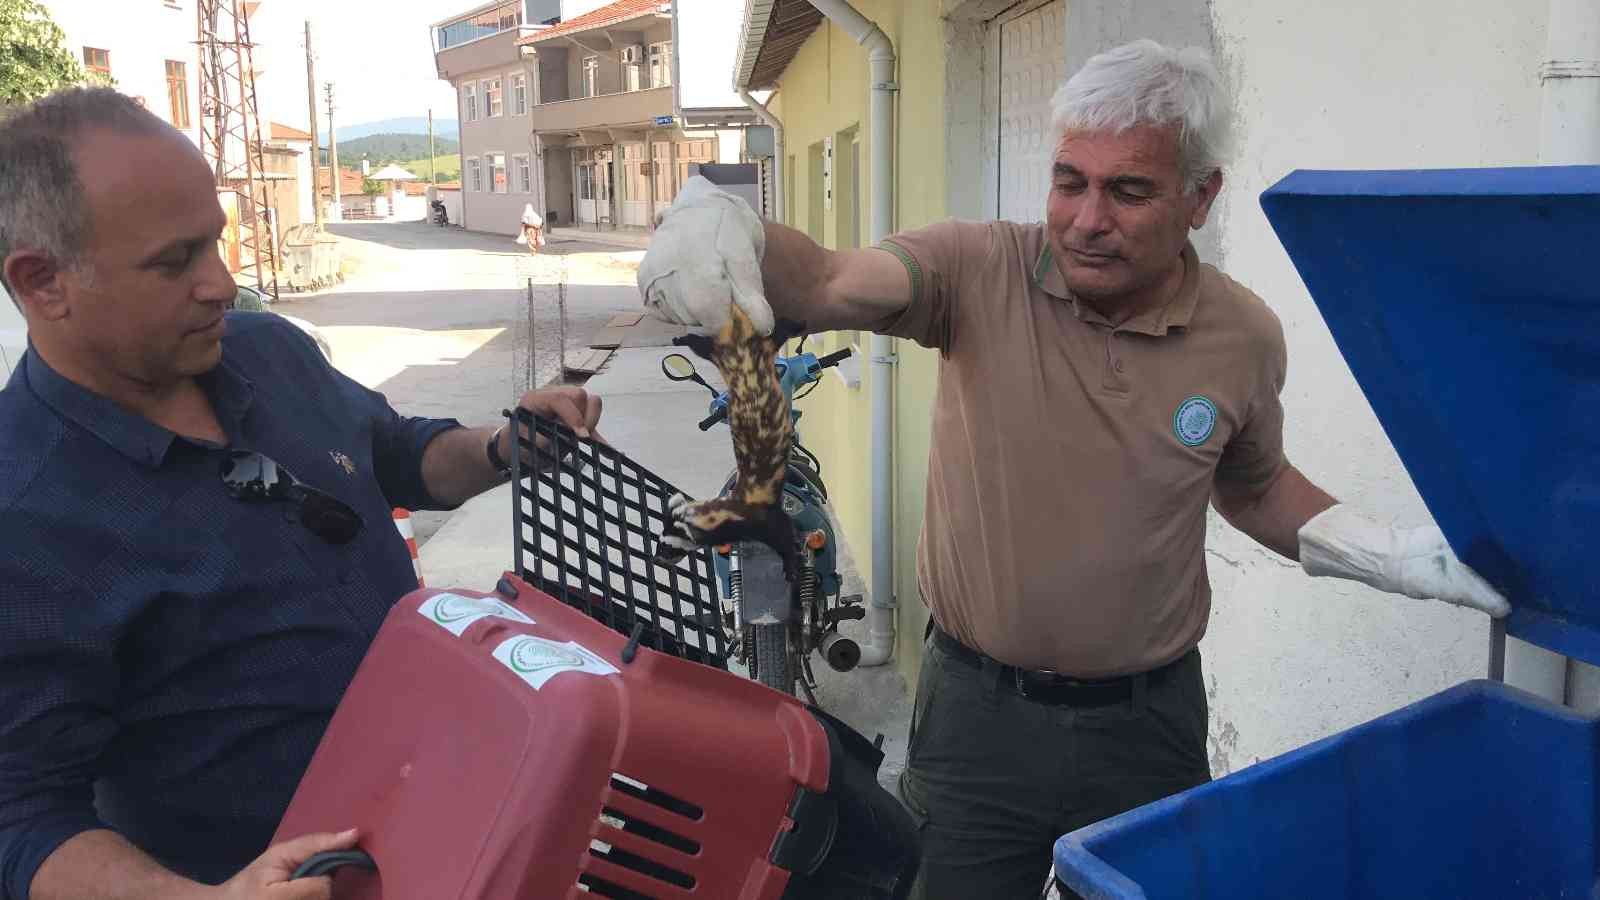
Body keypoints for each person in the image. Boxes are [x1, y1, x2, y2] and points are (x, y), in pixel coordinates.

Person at [636, 39, 1510, 900]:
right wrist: (735, 229)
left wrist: (1395, 554)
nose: (1089, 220)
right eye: (1070, 182)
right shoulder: (976, 270)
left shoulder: (1241, 336)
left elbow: (1255, 485)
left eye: (1129, 190)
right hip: (977, 719)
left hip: (1150, 724)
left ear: (1199, 198)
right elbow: (829, 278)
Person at [0, 87, 602, 899]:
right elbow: (23, 816)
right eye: (174, 262)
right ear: (43, 284)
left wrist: (503, 449)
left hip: (469, 811)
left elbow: (398, 452)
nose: (221, 283)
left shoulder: (268, 352)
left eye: (215, 243)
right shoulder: (23, 515)